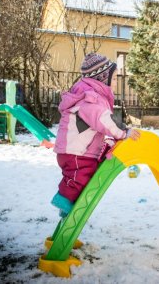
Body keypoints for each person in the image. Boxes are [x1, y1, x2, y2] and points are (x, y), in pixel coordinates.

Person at [51, 53, 140, 217]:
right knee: (81, 176)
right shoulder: (91, 99)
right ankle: (63, 199)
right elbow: (104, 120)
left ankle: (68, 210)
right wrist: (123, 132)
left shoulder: (91, 96)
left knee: (88, 173)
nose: (115, 83)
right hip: (75, 152)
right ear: (102, 78)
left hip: (77, 151)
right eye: (113, 79)